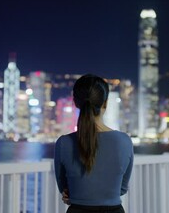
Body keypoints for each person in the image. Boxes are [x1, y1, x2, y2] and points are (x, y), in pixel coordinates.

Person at [54, 73, 134, 213]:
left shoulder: (64, 143)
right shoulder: (124, 141)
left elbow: (65, 189)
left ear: (75, 102)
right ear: (105, 103)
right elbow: (122, 189)